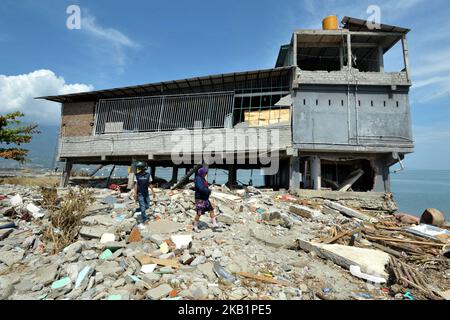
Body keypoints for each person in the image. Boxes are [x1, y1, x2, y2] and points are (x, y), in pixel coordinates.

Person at [194, 167, 219, 232]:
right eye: (205, 173)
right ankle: (195, 226)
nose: (206, 174)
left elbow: (204, 187)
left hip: (205, 198)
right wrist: (208, 191)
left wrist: (208, 190)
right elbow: (201, 188)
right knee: (199, 213)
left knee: (211, 209)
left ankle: (214, 224)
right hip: (200, 198)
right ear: (202, 173)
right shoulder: (198, 179)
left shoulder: (202, 179)